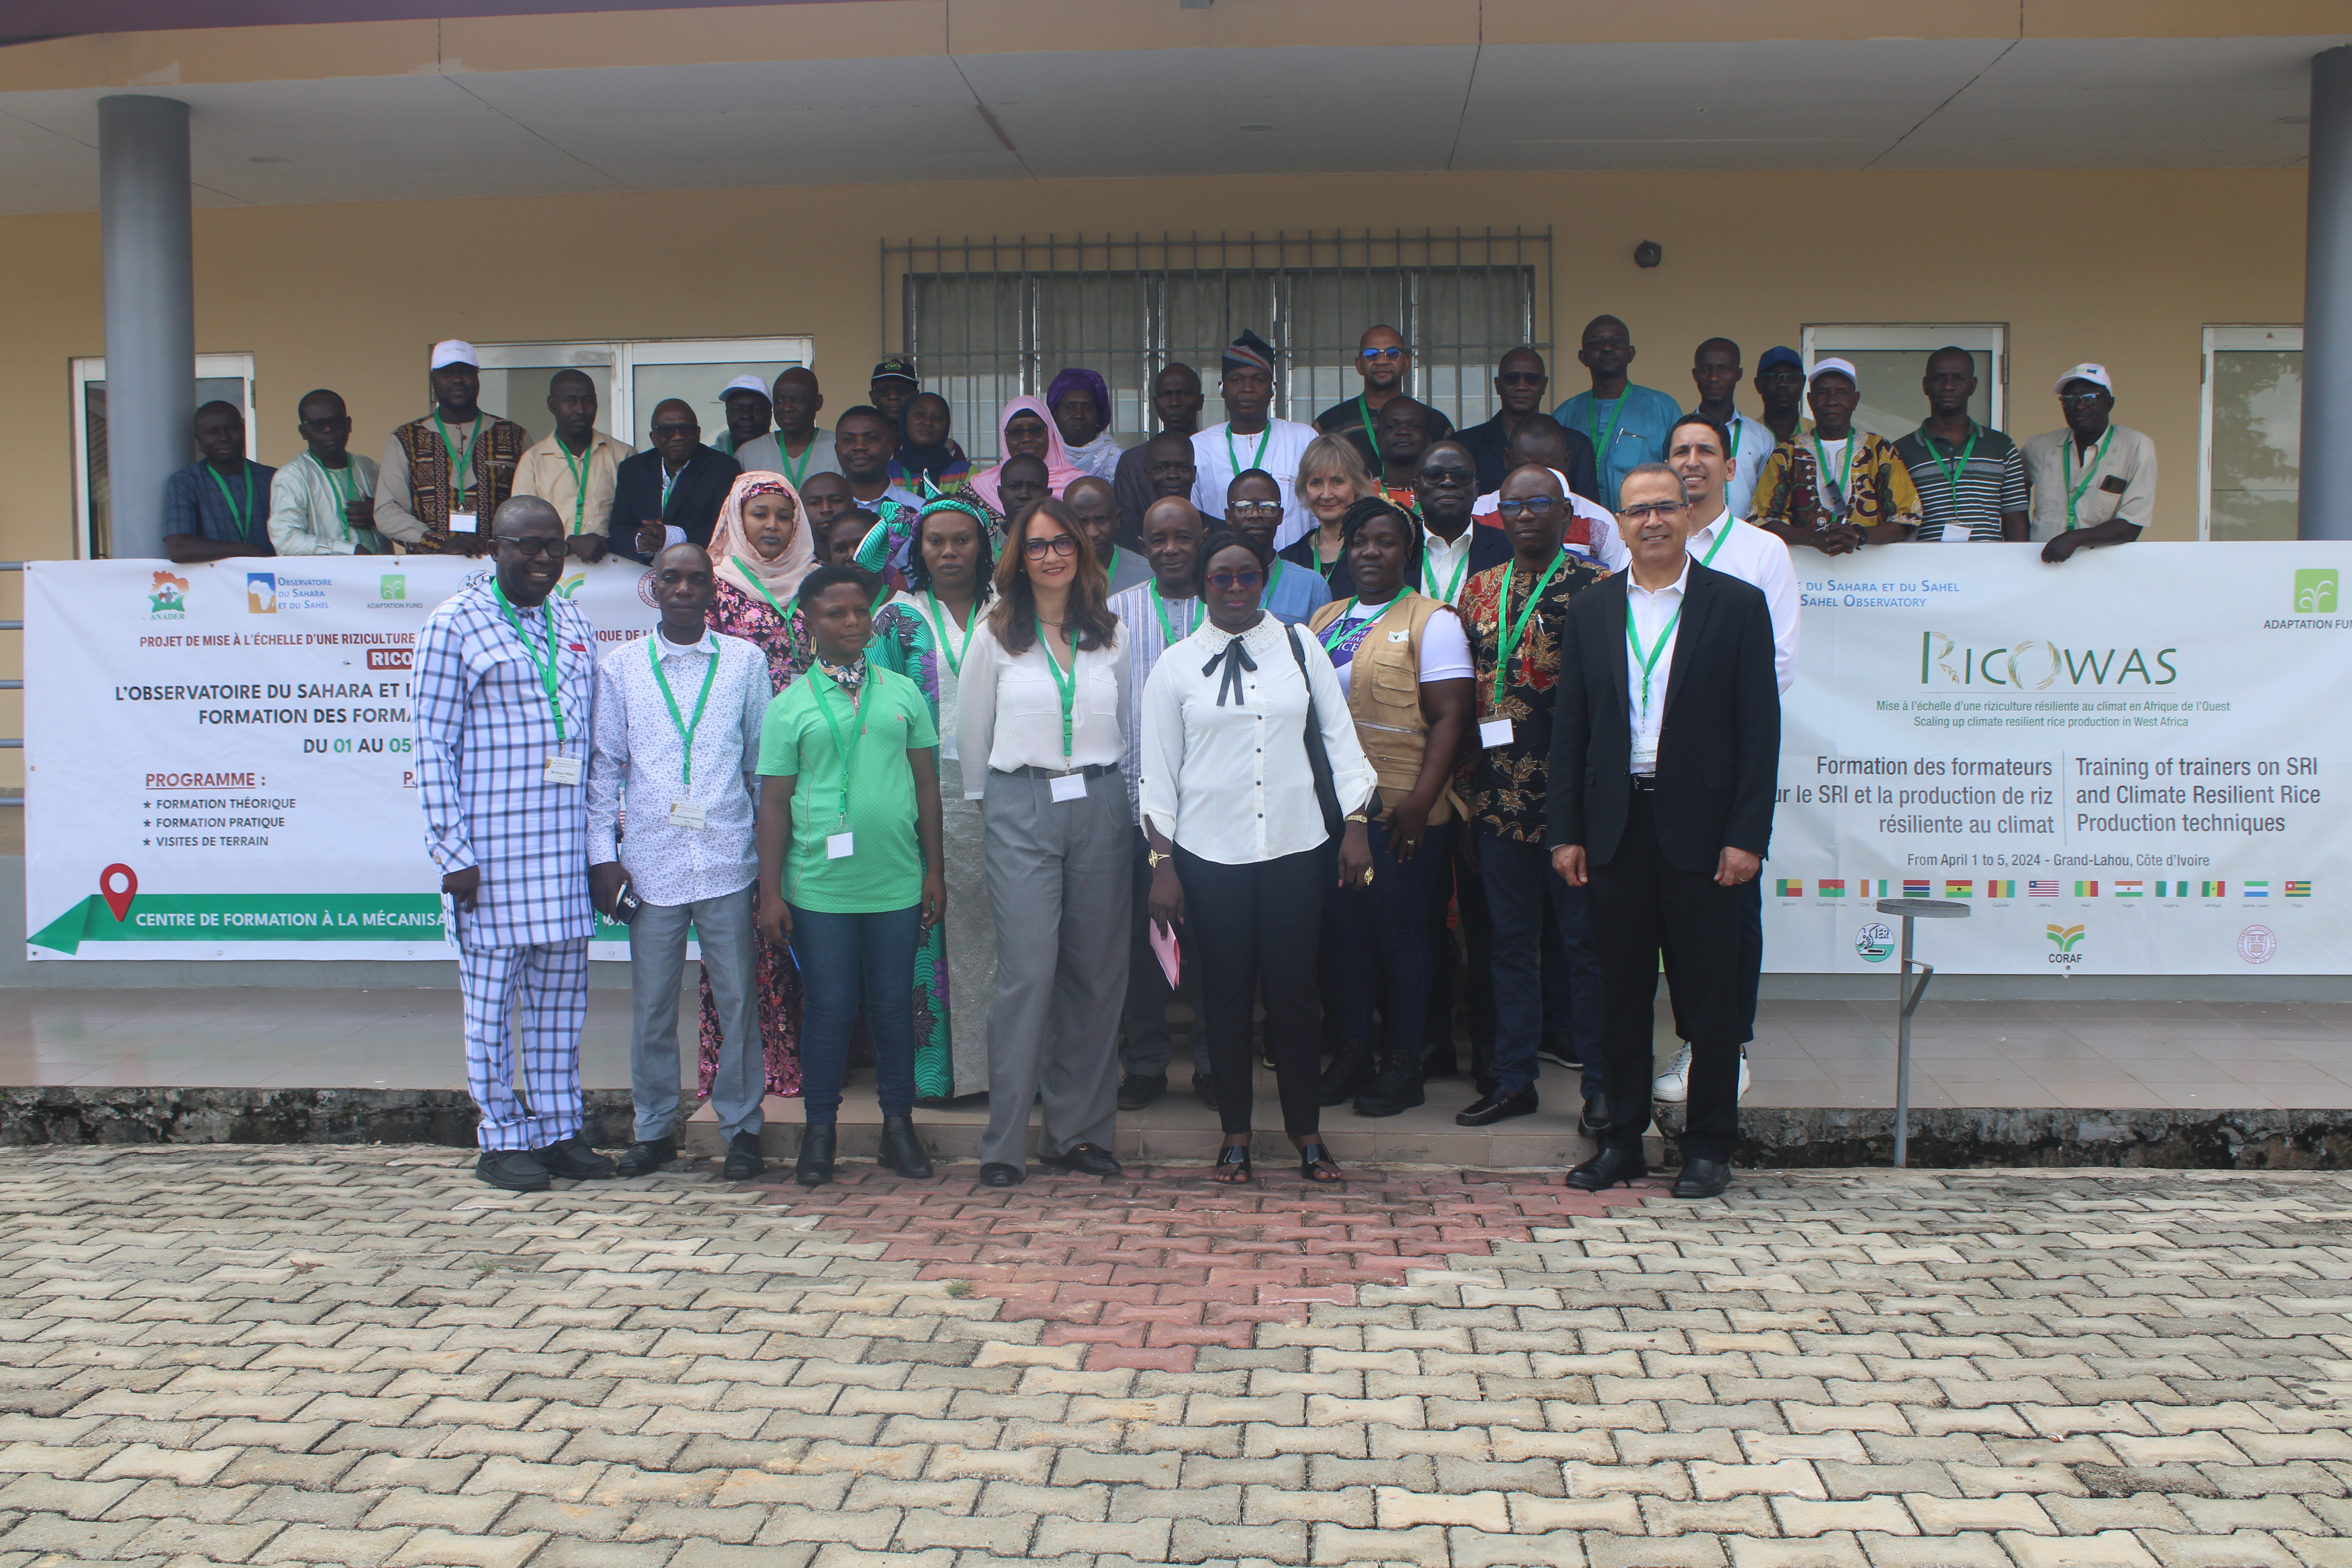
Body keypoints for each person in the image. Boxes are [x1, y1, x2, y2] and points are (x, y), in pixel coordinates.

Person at [1548, 463, 1779, 1201]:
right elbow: (1572, 730)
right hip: (1616, 828)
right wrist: (1567, 832)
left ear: (1690, 515)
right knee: (1618, 994)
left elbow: (1760, 732)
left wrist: (1748, 836)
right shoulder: (1591, 610)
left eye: (1665, 508)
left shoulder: (1736, 605)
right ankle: (1621, 1143)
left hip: (1705, 833)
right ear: (1618, 524)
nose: (1652, 521)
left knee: (1708, 997)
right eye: (1637, 510)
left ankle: (1709, 1146)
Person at [1139, 529, 1376, 1185]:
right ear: (1202, 585)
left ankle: (1307, 1135)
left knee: (1297, 992)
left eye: (1247, 575)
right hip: (1210, 854)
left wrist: (1356, 823)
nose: (1237, 588)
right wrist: (1163, 863)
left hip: (1296, 847)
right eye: (1223, 578)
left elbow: (1341, 739)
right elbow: (1158, 772)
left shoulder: (1301, 648)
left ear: (1264, 578)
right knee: (1225, 995)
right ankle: (1236, 1137)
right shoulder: (1176, 665)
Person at [414, 496, 611, 1192]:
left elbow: (592, 748)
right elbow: (432, 745)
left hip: (561, 859)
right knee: (492, 1009)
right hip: (490, 863)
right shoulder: (454, 624)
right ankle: (500, 1137)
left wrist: (599, 850)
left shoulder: (573, 621)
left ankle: (560, 1131)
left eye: (553, 546)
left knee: (562, 1006)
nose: (541, 560)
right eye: (525, 546)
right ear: (493, 549)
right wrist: (453, 854)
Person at [957, 497, 1132, 1188]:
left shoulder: (1109, 633)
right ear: (1018, 558)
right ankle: (1005, 1143)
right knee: (1029, 973)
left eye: (1064, 543)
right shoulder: (994, 635)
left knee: (1095, 976)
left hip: (1099, 800)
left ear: (1082, 552)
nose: (1053, 555)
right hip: (1020, 803)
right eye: (1037, 546)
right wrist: (991, 808)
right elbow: (972, 735)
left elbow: (1121, 717)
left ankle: (1079, 1136)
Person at [588, 543, 772, 1184]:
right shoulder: (622, 669)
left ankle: (743, 1129)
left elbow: (758, 769)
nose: (686, 589)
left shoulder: (746, 665)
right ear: (654, 588)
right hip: (651, 863)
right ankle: (654, 1129)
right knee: (654, 1005)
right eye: (674, 579)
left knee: (738, 1000)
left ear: (712, 589)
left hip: (728, 858)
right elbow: (604, 770)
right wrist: (602, 859)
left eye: (698, 579)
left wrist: (769, 864)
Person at [756, 564, 945, 1189]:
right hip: (818, 888)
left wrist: (934, 871)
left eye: (861, 611)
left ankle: (898, 1128)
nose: (854, 622)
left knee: (892, 1008)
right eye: (837, 613)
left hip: (895, 880)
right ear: (808, 623)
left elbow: (926, 786)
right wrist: (772, 891)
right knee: (832, 1010)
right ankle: (820, 1134)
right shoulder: (790, 707)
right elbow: (776, 803)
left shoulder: (902, 693)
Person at [1452, 465, 1610, 1131]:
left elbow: (1611, 699)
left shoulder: (1601, 588)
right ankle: (1515, 1080)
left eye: (1538, 503)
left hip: (1575, 802)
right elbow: (1464, 692)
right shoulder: (1478, 590)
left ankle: (1602, 1086)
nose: (1523, 515)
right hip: (1496, 802)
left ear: (1565, 510)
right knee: (1509, 946)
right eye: (1511, 504)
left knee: (1584, 946)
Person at [1305, 499, 1473, 1118]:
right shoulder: (1327, 616)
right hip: (1332, 812)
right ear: (1346, 550)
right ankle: (1353, 1051)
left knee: (1400, 936)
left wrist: (1423, 801)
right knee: (1345, 937)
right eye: (1360, 542)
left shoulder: (1434, 621)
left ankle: (1405, 1061)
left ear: (1408, 553)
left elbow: (1452, 716)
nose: (1371, 553)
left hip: (1400, 810)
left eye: (1386, 542)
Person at [1653, 413, 1799, 1117]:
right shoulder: (1644, 546)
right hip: (1650, 767)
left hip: (1723, 759)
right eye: (1679, 451)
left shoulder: (1762, 553)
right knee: (1673, 918)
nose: (1692, 462)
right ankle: (1692, 1039)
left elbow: (1778, 668)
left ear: (1730, 465)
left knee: (1733, 907)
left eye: (1705, 451)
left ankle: (1728, 1047)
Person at [701, 472, 817, 1102]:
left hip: (818, 769)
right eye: (759, 516)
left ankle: (828, 1051)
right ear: (736, 522)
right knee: (750, 921)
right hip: (743, 777)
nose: (771, 527)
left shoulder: (818, 583)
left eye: (782, 516)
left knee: (814, 907)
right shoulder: (715, 587)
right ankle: (759, 1059)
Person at [1108, 496, 1211, 1112]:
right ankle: (1144, 1062)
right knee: (1138, 946)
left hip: (1213, 816)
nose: (1171, 549)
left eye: (1183, 537)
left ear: (1201, 539)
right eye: (1158, 539)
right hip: (1131, 813)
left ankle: (1209, 1062)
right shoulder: (1113, 617)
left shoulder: (1228, 611)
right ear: (1143, 546)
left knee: (1211, 946)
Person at [894, 496, 998, 1104]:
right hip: (922, 803)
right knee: (931, 933)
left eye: (963, 540)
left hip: (1006, 800)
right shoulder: (896, 620)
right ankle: (938, 1077)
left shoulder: (1014, 612)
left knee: (1010, 934)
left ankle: (1011, 1072)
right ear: (920, 549)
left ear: (984, 548)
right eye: (937, 541)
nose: (950, 552)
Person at [1750, 359, 1923, 554]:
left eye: (1842, 393)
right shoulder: (1787, 453)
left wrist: (1861, 535)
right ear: (1810, 400)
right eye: (1823, 393)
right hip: (1805, 573)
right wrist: (1814, 538)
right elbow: (1762, 519)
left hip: (1870, 576)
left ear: (1855, 400)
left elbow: (1906, 517)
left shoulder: (1879, 450)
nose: (1832, 400)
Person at [377, 340, 528, 557]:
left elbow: (531, 509)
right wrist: (440, 543)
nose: (457, 379)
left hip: (498, 569)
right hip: (428, 572)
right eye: (447, 373)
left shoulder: (514, 436)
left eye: (465, 372)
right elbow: (387, 511)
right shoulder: (406, 439)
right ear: (433, 380)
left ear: (477, 376)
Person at [1191, 329, 1319, 546]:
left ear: (1273, 389)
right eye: (1237, 380)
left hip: (1293, 568)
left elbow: (1320, 515)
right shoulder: (1199, 447)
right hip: (1223, 570)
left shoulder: (1304, 439)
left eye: (1259, 380)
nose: (1248, 389)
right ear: (1222, 388)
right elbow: (1194, 520)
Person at [1890, 349, 2029, 545]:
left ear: (1973, 386)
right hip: (1925, 570)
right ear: (1925, 385)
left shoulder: (2001, 446)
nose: (1948, 386)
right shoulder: (1900, 452)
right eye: (1939, 378)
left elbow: (2015, 520)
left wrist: (2018, 572)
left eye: (1959, 379)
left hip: (1987, 568)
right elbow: (1897, 522)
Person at [2022, 363, 2156, 564]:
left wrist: (2075, 538)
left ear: (2109, 403)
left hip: (2101, 569)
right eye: (2069, 400)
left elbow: (2132, 524)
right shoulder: (2038, 446)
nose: (2079, 406)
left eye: (2090, 398)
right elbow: (2010, 494)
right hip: (2042, 565)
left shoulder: (2136, 446)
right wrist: (2019, 545)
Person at [1552, 316, 1684, 511]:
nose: (1607, 348)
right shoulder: (1565, 415)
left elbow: (1680, 476)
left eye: (1617, 342)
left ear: (1631, 354)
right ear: (1583, 357)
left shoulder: (1663, 408)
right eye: (1597, 343)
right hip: (1578, 533)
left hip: (1645, 528)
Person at [1468, 416, 1628, 573]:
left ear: (1566, 461)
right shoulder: (1476, 514)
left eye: (1548, 469)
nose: (1535, 477)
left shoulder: (1600, 522)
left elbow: (1617, 585)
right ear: (1507, 459)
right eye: (1525, 467)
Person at [512, 369, 632, 563]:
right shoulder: (533, 461)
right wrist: (566, 545)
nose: (581, 410)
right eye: (571, 402)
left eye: (588, 401)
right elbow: (521, 527)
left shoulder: (624, 455)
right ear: (553, 406)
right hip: (554, 572)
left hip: (613, 573)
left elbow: (635, 523)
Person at [609, 399, 742, 564]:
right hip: (639, 575)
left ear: (698, 433)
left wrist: (670, 538)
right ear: (654, 438)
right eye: (667, 430)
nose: (678, 436)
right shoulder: (632, 469)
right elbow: (618, 527)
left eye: (687, 429)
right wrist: (642, 541)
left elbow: (726, 531)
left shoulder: (724, 468)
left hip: (702, 569)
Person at [1315, 325, 1455, 480]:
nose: (1382, 361)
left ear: (1407, 363)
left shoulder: (1435, 422)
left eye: (1392, 353)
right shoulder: (1330, 424)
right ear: (1359, 365)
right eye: (1371, 354)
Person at [1460, 347, 1597, 500]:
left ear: (1544, 385)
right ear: (1498, 385)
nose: (1521, 386)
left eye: (1532, 379)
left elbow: (1588, 511)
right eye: (1512, 379)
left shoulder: (1577, 444)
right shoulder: (1465, 445)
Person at [266, 390, 379, 557]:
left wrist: (380, 516)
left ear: (349, 424)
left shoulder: (370, 468)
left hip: (383, 577)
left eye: (335, 422)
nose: (328, 430)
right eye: (318, 425)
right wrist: (350, 550)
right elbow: (286, 541)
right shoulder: (293, 476)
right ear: (304, 432)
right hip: (328, 580)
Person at [163, 401, 276, 563]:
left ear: (244, 430)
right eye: (213, 432)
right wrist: (245, 550)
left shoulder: (273, 478)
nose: (224, 438)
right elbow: (179, 548)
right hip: (214, 586)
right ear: (199, 439)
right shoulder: (185, 482)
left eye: (232, 429)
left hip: (271, 582)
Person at [1226, 470, 1331, 626]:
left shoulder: (1312, 586)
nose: (1256, 514)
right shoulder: (1214, 581)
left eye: (1268, 507)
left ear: (1280, 516)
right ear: (1229, 517)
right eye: (1244, 507)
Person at [1114, 364, 1205, 539]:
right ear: (1155, 404)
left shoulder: (1216, 454)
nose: (1175, 403)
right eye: (1166, 395)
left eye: (1184, 393)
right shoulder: (1132, 462)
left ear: (1200, 401)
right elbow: (1129, 526)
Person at [1689, 339, 1772, 523]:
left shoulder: (1761, 437)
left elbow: (1767, 499)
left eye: (1724, 370)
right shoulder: (1681, 435)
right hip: (1694, 539)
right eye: (1705, 370)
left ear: (1738, 374)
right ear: (1695, 375)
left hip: (1747, 542)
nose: (1714, 377)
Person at [1278, 434, 1375, 589]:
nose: (1326, 495)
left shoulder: (1376, 554)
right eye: (1316, 483)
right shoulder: (1287, 561)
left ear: (1357, 484)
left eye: (1337, 481)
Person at [969, 397, 1084, 527]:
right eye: (1016, 432)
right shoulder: (978, 489)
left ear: (1051, 433)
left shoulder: (1081, 486)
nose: (1027, 439)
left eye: (1036, 430)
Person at [736, 368, 840, 490]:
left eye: (797, 400)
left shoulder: (839, 448)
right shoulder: (748, 453)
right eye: (780, 401)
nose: (787, 408)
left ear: (818, 403)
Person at [828, 405, 923, 521]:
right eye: (849, 440)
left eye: (871, 439)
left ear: (891, 448)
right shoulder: (824, 512)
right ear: (837, 450)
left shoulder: (919, 510)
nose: (859, 447)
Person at [1065, 475, 1152, 594]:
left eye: (1102, 520)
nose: (1093, 533)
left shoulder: (1148, 574)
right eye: (1082, 522)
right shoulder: (1055, 575)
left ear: (1118, 519)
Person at [1048, 367, 1123, 480]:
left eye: (1088, 408)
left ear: (1099, 415)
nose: (1079, 415)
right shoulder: (1044, 454)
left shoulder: (1116, 459)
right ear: (1055, 414)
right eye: (1070, 407)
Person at [891, 392, 971, 497]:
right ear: (905, 419)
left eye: (937, 418)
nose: (928, 422)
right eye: (920, 414)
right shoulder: (885, 472)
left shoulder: (965, 473)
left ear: (946, 426)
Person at [1369, 397, 1439, 509]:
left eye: (1414, 426)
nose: (1403, 432)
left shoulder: (1443, 493)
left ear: (1427, 439)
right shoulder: (1363, 494)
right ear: (1379, 440)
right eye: (1392, 426)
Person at [1752, 347, 1809, 451]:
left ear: (1803, 383)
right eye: (1772, 376)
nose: (1783, 384)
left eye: (1792, 376)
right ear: (1758, 385)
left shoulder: (1819, 434)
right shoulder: (1747, 436)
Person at [717, 374, 772, 457]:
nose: (746, 416)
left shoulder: (784, 455)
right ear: (727, 415)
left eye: (757, 410)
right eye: (737, 410)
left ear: (770, 416)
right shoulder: (710, 459)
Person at [800, 471, 856, 552]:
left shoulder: (873, 557)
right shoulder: (791, 562)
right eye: (815, 503)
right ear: (800, 512)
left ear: (853, 508)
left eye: (836, 501)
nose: (826, 509)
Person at [868, 357, 923, 429]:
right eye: (884, 390)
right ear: (872, 397)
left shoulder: (927, 438)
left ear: (916, 396)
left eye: (903, 390)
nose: (893, 396)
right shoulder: (861, 438)